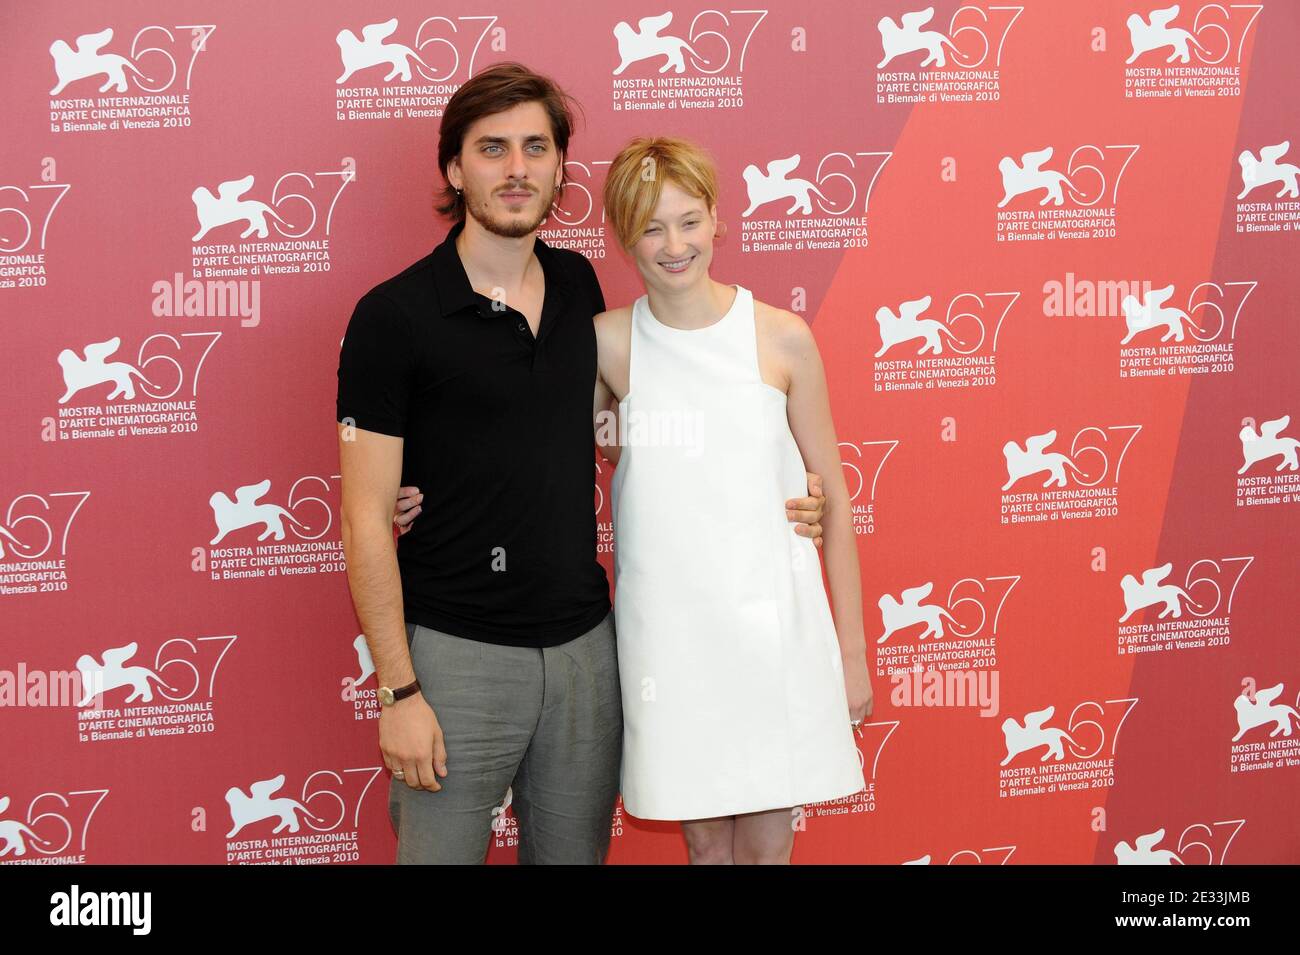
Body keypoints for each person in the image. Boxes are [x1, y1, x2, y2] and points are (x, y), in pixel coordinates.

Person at [336, 62, 828, 865]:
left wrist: (787, 483)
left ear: (562, 167)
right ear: (455, 169)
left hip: (585, 655)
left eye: (537, 146)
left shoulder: (577, 286)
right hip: (457, 660)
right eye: (492, 148)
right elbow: (363, 517)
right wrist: (399, 690)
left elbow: (625, 427)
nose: (517, 168)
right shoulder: (393, 317)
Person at [592, 136, 873, 864]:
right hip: (670, 640)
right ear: (625, 238)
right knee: (707, 846)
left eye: (689, 220)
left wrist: (851, 653)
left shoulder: (783, 338)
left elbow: (832, 497)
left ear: (718, 219)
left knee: (767, 850)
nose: (674, 244)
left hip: (771, 629)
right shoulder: (608, 345)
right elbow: (538, 446)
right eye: (651, 227)